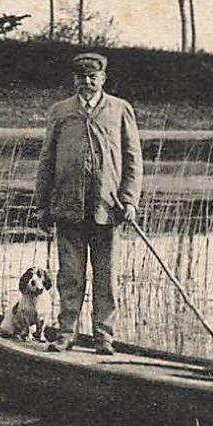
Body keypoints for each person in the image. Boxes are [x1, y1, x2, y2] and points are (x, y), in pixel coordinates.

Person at [34, 51, 142, 355]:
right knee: (70, 277)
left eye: (93, 76)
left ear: (103, 78)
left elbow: (133, 159)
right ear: (74, 79)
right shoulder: (60, 111)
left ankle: (104, 337)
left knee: (106, 278)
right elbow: (46, 160)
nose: (87, 82)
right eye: (82, 77)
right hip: (67, 207)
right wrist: (42, 204)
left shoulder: (120, 110)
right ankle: (66, 333)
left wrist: (130, 199)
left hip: (107, 209)